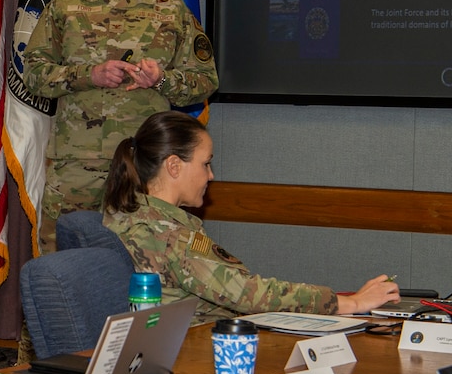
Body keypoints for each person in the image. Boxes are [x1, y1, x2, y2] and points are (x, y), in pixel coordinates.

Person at [23, 0, 219, 252]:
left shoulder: (171, 10)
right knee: (64, 269)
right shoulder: (65, 7)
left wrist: (161, 80)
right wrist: (89, 75)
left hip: (145, 172)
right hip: (76, 169)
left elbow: (205, 81)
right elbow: (33, 75)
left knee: (144, 268)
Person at [102, 111, 400, 324]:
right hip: (195, 353)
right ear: (175, 167)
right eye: (205, 164)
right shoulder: (170, 236)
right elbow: (248, 294)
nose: (211, 175)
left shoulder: (126, 213)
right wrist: (351, 303)